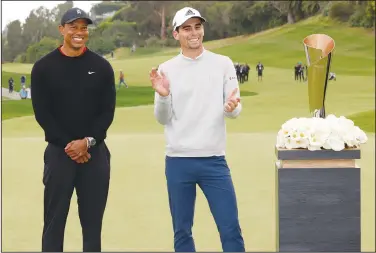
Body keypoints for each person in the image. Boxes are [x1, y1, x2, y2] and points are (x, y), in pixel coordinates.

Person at [150, 7, 245, 252]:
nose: (194, 33)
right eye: (187, 28)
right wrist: (163, 96)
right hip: (178, 161)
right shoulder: (167, 68)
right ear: (176, 34)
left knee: (230, 228)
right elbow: (162, 118)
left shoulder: (222, 63)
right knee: (182, 231)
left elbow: (234, 110)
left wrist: (230, 107)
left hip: (214, 160)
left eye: (197, 27)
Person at [30, 7, 116, 252]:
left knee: (92, 226)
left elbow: (106, 112)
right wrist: (71, 145)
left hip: (95, 154)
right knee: (54, 223)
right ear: (62, 30)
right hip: (59, 154)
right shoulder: (43, 68)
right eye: (73, 27)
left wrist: (87, 142)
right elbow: (43, 114)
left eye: (83, 28)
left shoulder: (101, 67)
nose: (79, 32)